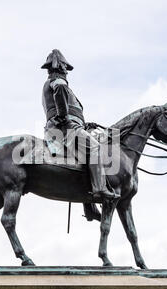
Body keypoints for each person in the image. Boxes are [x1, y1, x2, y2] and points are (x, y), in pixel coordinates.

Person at [41, 49, 119, 201]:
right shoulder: (58, 82)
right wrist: (66, 120)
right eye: (65, 67)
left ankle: (89, 207)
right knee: (95, 147)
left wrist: (83, 124)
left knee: (84, 161)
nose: (67, 71)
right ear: (59, 66)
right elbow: (60, 98)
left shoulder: (53, 83)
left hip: (67, 126)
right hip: (64, 129)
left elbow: (68, 109)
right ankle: (100, 189)